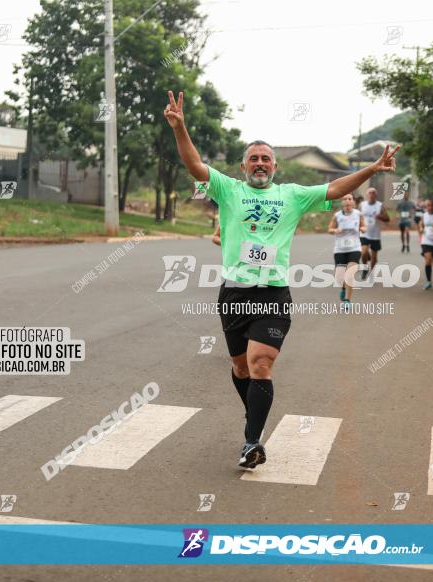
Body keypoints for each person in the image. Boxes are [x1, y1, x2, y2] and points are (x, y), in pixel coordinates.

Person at [164, 91, 399, 469]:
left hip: (273, 293)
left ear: (274, 166)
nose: (260, 163)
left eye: (266, 159)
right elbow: (194, 165)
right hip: (234, 294)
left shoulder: (292, 195)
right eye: (254, 158)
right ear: (244, 167)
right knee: (240, 367)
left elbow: (335, 188)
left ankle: (252, 441)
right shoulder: (228, 189)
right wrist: (181, 128)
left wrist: (372, 169)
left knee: (260, 363)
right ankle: (253, 417)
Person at [328, 194, 365, 306]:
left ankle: (347, 300)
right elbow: (329, 229)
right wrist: (335, 230)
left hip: (355, 248)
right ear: (342, 202)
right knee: (339, 277)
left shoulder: (358, 214)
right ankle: (343, 287)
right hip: (340, 249)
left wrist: (362, 228)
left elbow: (365, 226)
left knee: (349, 274)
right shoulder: (337, 216)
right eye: (345, 199)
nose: (347, 201)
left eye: (350, 199)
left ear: (353, 202)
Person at [359, 187, 389, 280]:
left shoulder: (380, 206)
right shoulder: (362, 205)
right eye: (370, 193)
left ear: (376, 195)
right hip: (364, 233)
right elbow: (356, 216)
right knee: (363, 252)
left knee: (374, 257)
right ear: (367, 195)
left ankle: (371, 273)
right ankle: (365, 269)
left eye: (373, 193)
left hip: (375, 234)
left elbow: (387, 218)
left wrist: (380, 216)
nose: (371, 194)